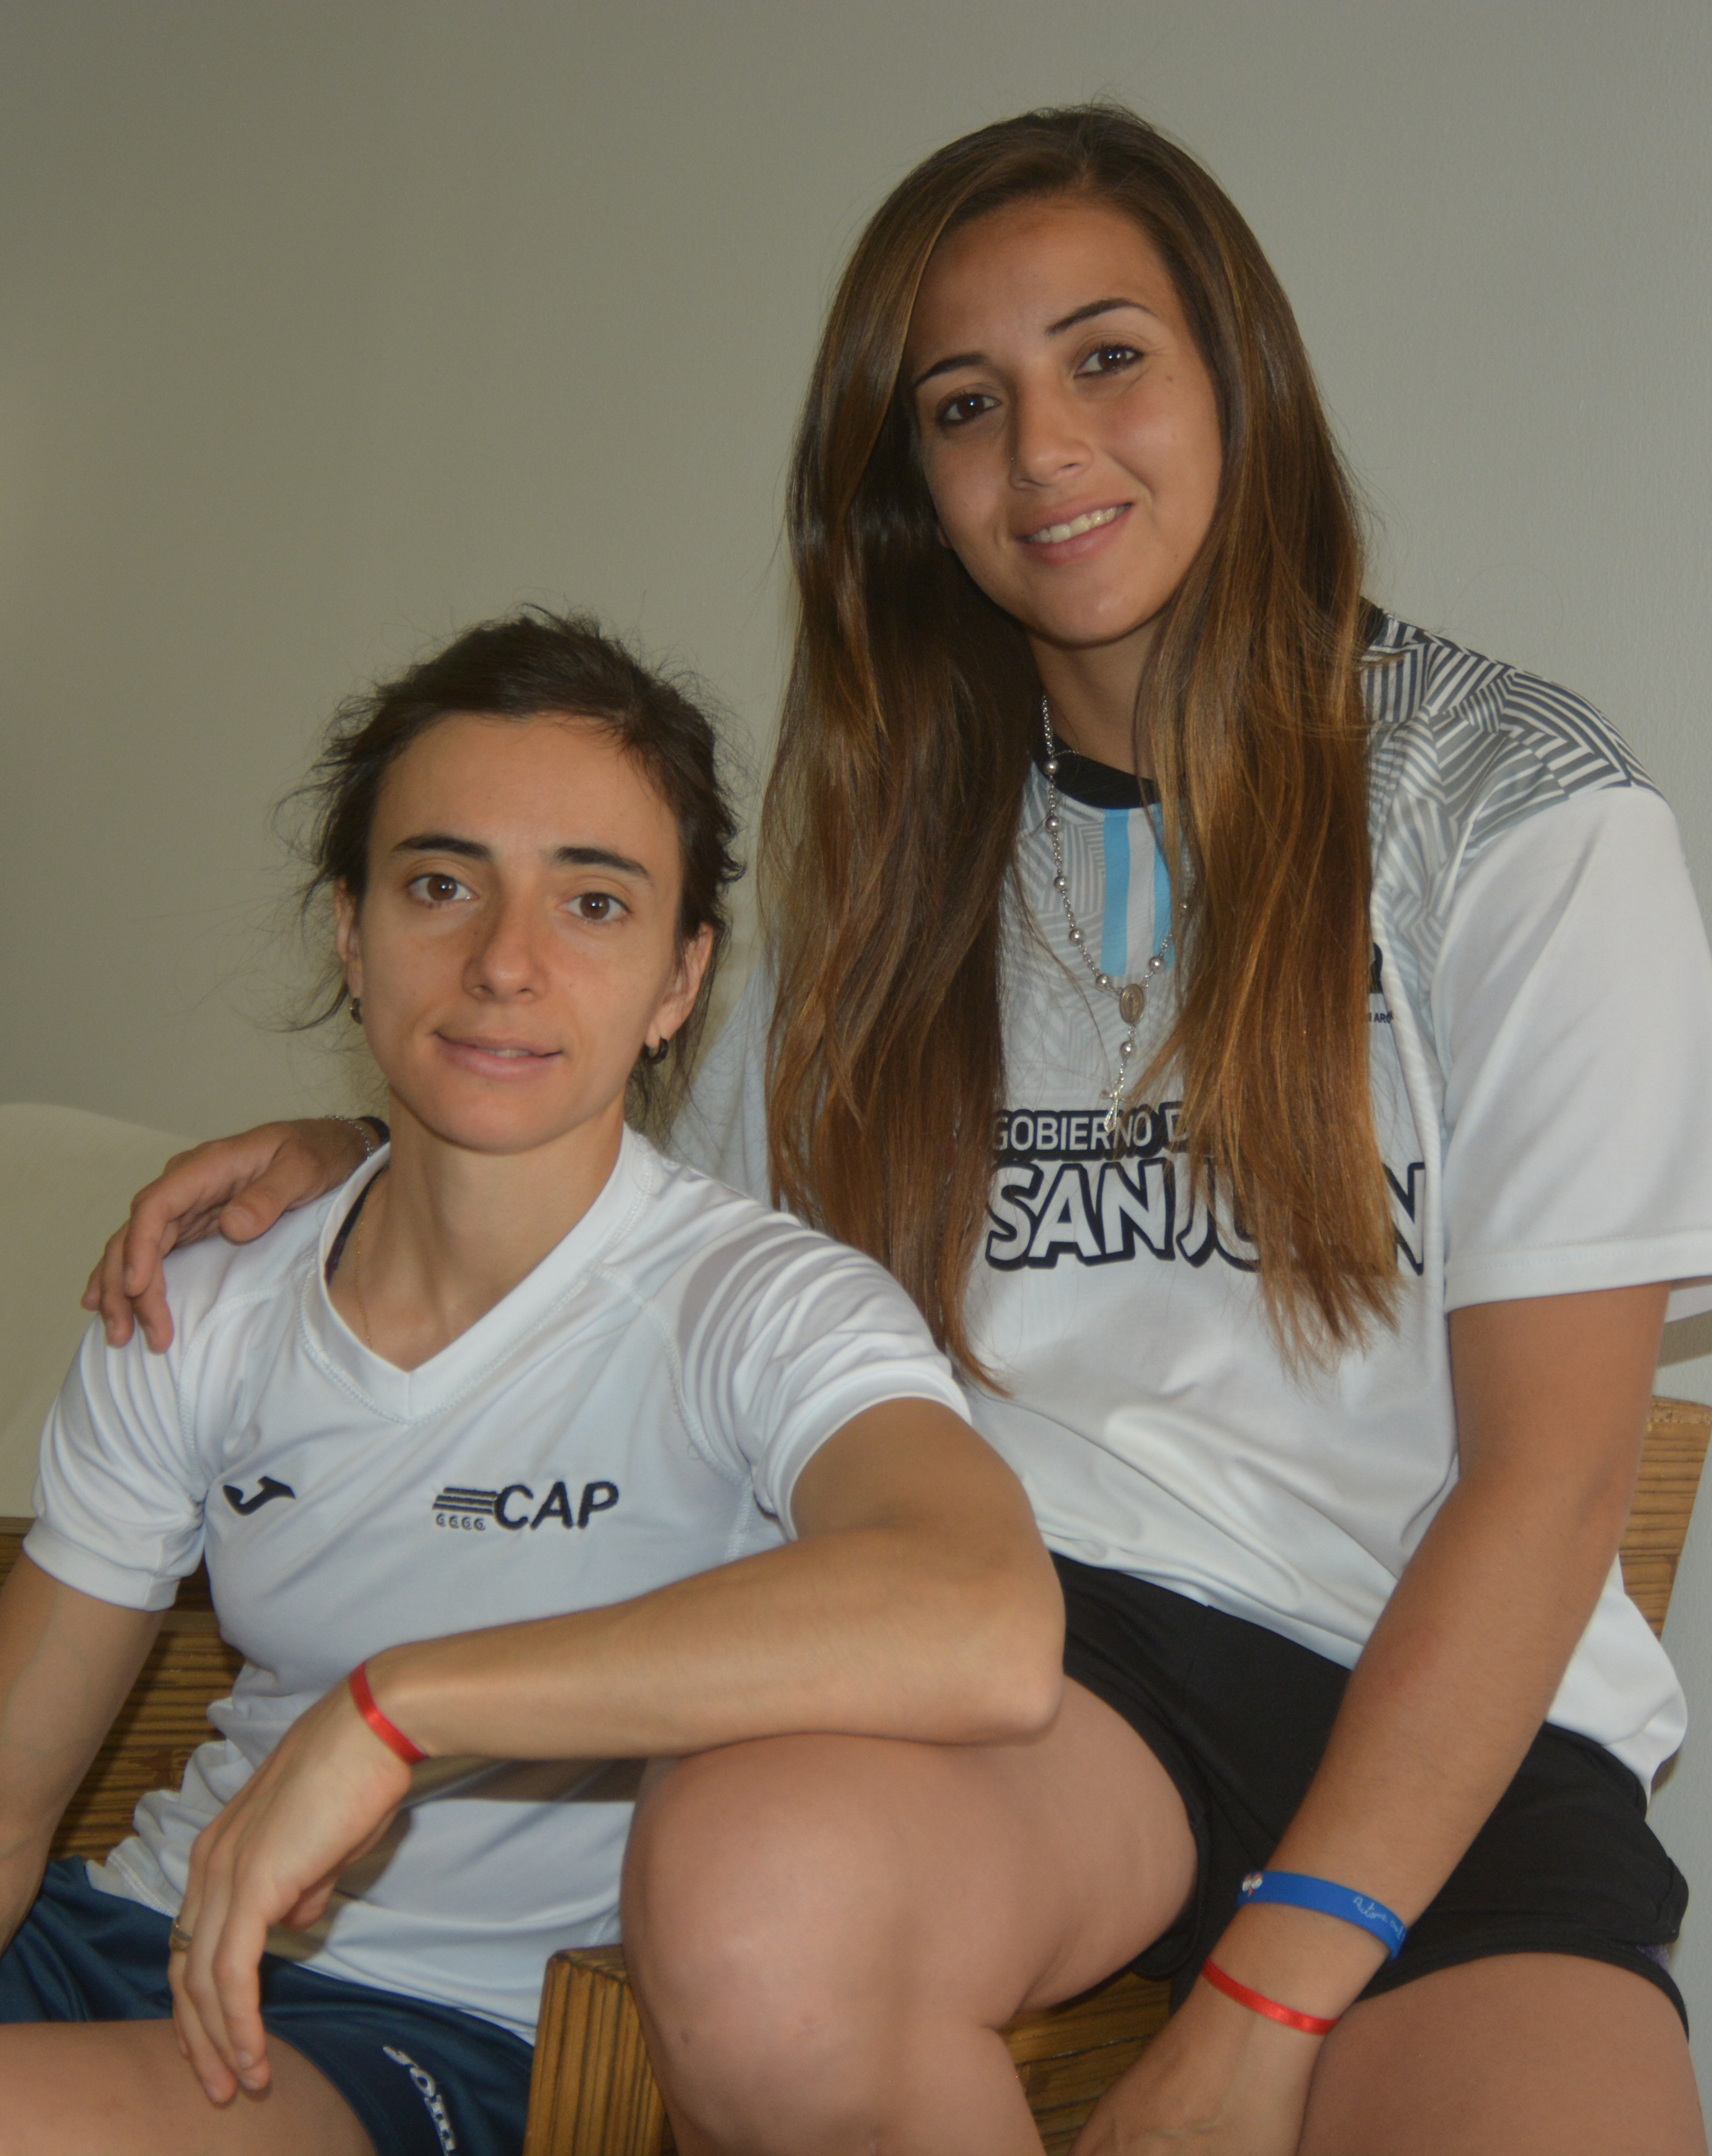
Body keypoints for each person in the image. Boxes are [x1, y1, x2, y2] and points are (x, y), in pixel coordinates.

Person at [85, 106, 1712, 2156]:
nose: (1042, 449)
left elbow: (1549, 1483)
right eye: (964, 403)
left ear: (1242, 381)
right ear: (907, 488)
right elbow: (639, 1232)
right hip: (1039, 1671)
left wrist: (1254, 2011)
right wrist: (380, 1155)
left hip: (1444, 1719)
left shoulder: (1520, 809)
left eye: (1105, 357)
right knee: (757, 1901)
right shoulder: (886, 858)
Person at [4, 609, 1062, 2156]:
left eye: (593, 901)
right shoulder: (210, 1291)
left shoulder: (757, 1306)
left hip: (433, 2033)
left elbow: (985, 1618)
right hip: (125, 1934)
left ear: (680, 980)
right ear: (351, 933)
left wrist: (400, 1708)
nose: (505, 963)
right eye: (441, 885)